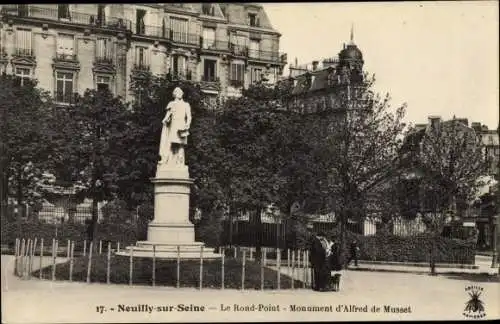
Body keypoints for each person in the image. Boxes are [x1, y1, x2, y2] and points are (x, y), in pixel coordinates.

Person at [158, 87, 192, 166]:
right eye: (177, 92)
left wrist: (187, 124)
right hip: (174, 125)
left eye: (181, 92)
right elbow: (168, 115)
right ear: (174, 94)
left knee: (181, 144)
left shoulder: (186, 104)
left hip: (182, 126)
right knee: (169, 142)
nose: (179, 93)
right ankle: (164, 159)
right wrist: (165, 120)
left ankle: (180, 162)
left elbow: (189, 116)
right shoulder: (171, 103)